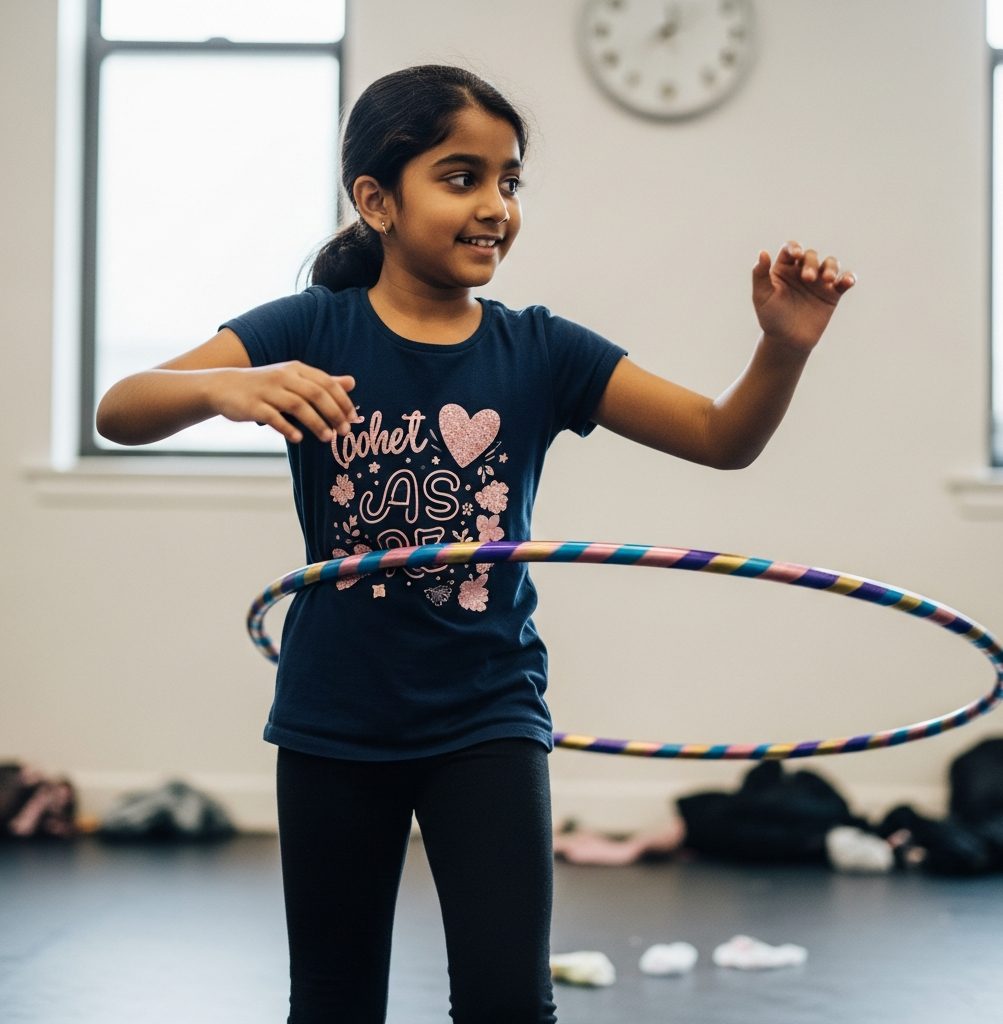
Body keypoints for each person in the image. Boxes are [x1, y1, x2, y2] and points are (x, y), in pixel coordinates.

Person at [96, 65, 855, 1024]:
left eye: (510, 180)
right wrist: (221, 386)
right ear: (376, 199)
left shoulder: (540, 350)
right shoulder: (310, 331)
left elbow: (720, 438)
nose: (495, 205)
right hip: (335, 716)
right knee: (332, 1000)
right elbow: (120, 409)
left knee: (507, 1003)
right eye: (462, 177)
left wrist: (781, 349)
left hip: (487, 716)